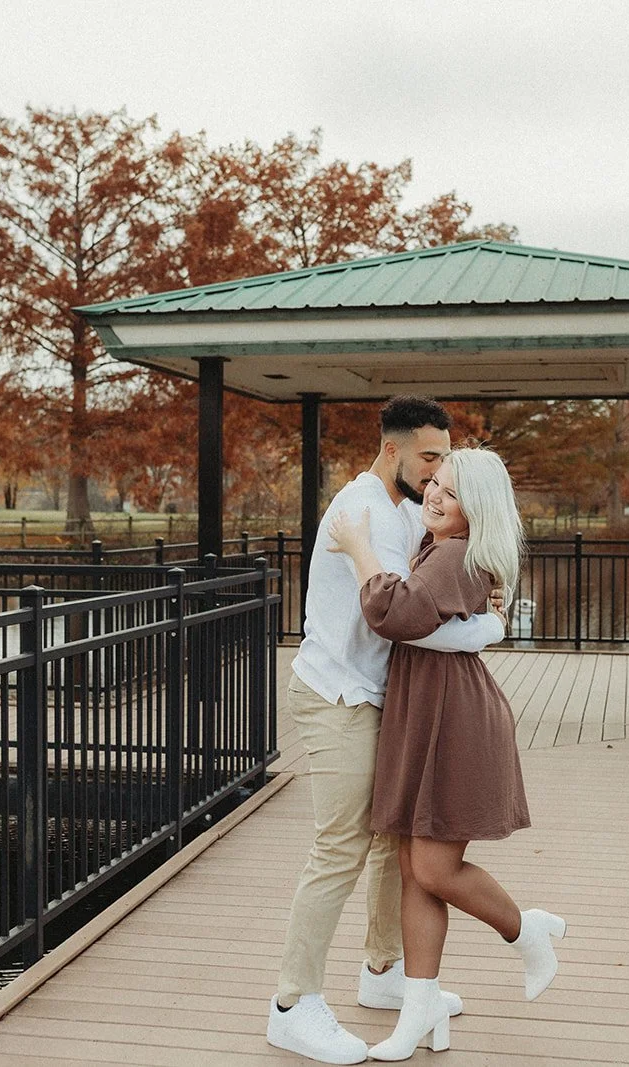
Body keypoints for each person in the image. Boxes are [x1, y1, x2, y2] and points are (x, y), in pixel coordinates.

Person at [267, 397, 507, 1065]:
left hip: (382, 697)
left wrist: (484, 619)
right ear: (393, 448)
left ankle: (382, 972)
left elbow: (437, 592)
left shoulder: (408, 506)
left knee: (391, 841)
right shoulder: (362, 511)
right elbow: (399, 613)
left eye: (443, 466)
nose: (435, 478)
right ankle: (292, 1003)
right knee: (341, 845)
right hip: (338, 693)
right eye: (428, 460)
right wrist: (485, 628)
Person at [326, 447, 566, 1061]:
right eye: (432, 482)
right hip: (427, 713)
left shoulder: (456, 554)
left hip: (453, 721)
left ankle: (525, 929)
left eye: (450, 492)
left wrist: (358, 548)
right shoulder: (443, 548)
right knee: (415, 872)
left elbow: (392, 613)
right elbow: (427, 619)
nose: (433, 494)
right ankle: (419, 1007)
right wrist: (479, 628)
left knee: (432, 869)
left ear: (475, 507)